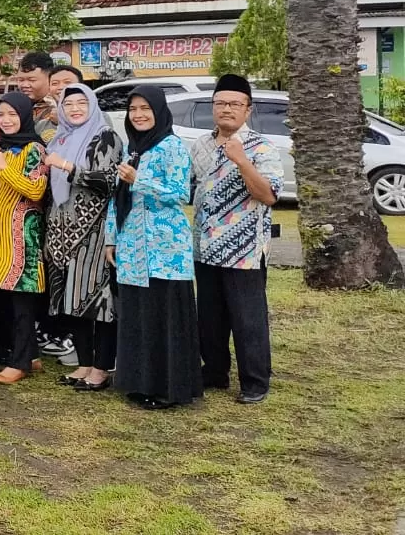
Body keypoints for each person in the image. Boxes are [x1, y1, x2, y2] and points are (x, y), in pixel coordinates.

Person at [105, 85, 202, 410]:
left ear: (159, 111)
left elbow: (180, 194)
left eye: (145, 108)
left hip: (165, 250)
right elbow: (117, 198)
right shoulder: (132, 149)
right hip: (132, 245)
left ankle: (167, 389)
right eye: (133, 109)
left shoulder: (172, 146)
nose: (139, 114)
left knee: (164, 317)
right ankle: (139, 382)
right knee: (138, 315)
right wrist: (111, 238)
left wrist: (140, 181)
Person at [190, 74, 282, 404]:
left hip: (244, 249)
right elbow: (189, 189)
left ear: (248, 109)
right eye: (220, 103)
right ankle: (214, 371)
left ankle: (255, 381)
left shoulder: (261, 147)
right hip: (204, 246)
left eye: (234, 104)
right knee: (210, 318)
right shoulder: (199, 145)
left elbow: (269, 195)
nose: (226, 109)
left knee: (248, 320)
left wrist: (242, 160)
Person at [43, 83, 123, 391]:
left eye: (82, 103)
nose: (75, 109)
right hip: (60, 234)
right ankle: (84, 364)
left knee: (98, 304)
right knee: (71, 302)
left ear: (92, 106)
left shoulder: (105, 137)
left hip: (94, 234)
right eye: (69, 104)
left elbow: (109, 181)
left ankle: (101, 368)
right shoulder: (60, 138)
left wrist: (68, 166)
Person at [0, 92, 49, 384]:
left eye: (12, 114)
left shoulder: (35, 149)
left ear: (24, 115)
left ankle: (19, 361)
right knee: (8, 297)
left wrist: (3, 167)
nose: (6, 120)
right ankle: (31, 355)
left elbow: (35, 191)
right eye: (1, 114)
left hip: (24, 234)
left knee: (22, 298)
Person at [18, 52, 59, 141]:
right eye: (21, 80)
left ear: (50, 78)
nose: (24, 85)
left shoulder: (55, 109)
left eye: (31, 80)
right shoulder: (21, 105)